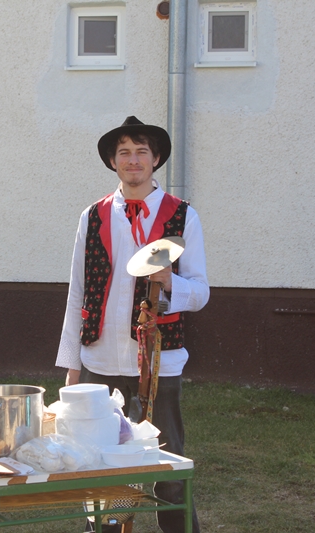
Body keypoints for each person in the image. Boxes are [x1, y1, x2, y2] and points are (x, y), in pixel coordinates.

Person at [56, 117, 209, 533]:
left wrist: (170, 282)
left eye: (141, 151)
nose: (133, 160)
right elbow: (77, 292)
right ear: (113, 162)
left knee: (167, 464)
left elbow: (201, 292)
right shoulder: (93, 216)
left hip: (159, 364)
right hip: (100, 360)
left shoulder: (183, 216)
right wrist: (72, 365)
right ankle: (108, 527)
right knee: (103, 466)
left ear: (155, 159)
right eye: (124, 152)